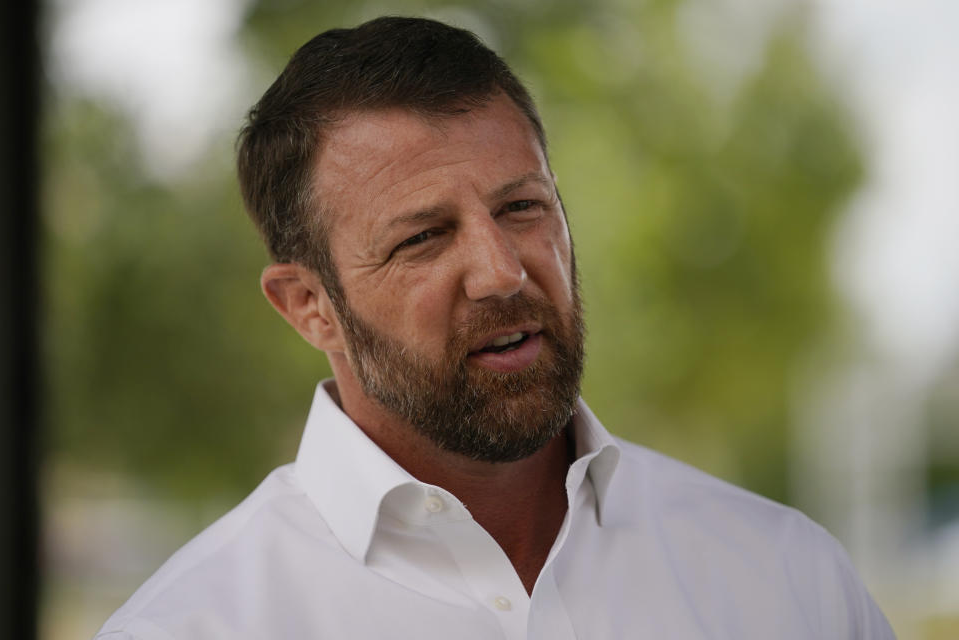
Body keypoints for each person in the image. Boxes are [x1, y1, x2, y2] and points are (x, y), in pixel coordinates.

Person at [96, 16, 895, 640]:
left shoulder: (790, 582)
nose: (502, 270)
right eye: (421, 239)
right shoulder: (187, 627)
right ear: (308, 305)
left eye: (521, 207)